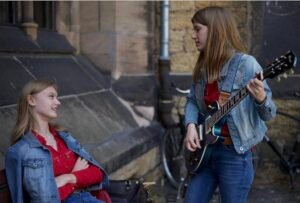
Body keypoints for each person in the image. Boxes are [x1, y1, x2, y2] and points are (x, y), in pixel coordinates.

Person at [184, 6, 276, 203]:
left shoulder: (247, 65)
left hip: (234, 156)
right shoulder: (204, 67)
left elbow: (269, 114)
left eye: (197, 29)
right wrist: (191, 126)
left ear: (215, 30)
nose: (193, 35)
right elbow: (192, 100)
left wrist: (261, 99)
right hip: (204, 153)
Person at [5, 79, 111, 203]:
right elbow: (44, 199)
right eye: (51, 96)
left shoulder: (64, 138)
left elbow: (97, 173)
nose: (58, 102)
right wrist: (77, 177)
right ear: (31, 100)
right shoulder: (23, 151)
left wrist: (67, 177)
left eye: (57, 97)